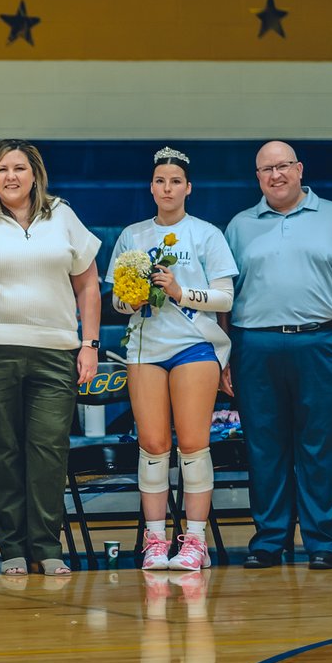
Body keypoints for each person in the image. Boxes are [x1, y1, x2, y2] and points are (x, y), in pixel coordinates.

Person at [0, 139, 101, 577]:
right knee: (4, 451)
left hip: (55, 354)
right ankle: (12, 547)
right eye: (1, 170)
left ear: (35, 174)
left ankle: (48, 547)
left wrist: (89, 344)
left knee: (49, 449)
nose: (10, 177)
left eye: (19, 168)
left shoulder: (63, 216)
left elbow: (88, 285)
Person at [225, 140, 332, 571]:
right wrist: (224, 356)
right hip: (255, 346)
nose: (275, 175)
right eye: (266, 169)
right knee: (264, 446)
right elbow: (224, 298)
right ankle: (270, 540)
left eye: (283, 166)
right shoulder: (239, 226)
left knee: (320, 445)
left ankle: (321, 542)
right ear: (257, 177)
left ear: (299, 169)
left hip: (324, 342)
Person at [105, 147, 237, 574]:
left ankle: (195, 541)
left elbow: (225, 297)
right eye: (161, 180)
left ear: (188, 188)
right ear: (152, 186)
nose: (167, 188)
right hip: (145, 349)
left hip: (194, 345)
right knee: (153, 445)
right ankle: (155, 540)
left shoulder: (207, 234)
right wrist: (131, 298)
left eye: (175, 181)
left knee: (194, 445)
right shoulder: (132, 235)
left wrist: (181, 293)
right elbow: (117, 303)